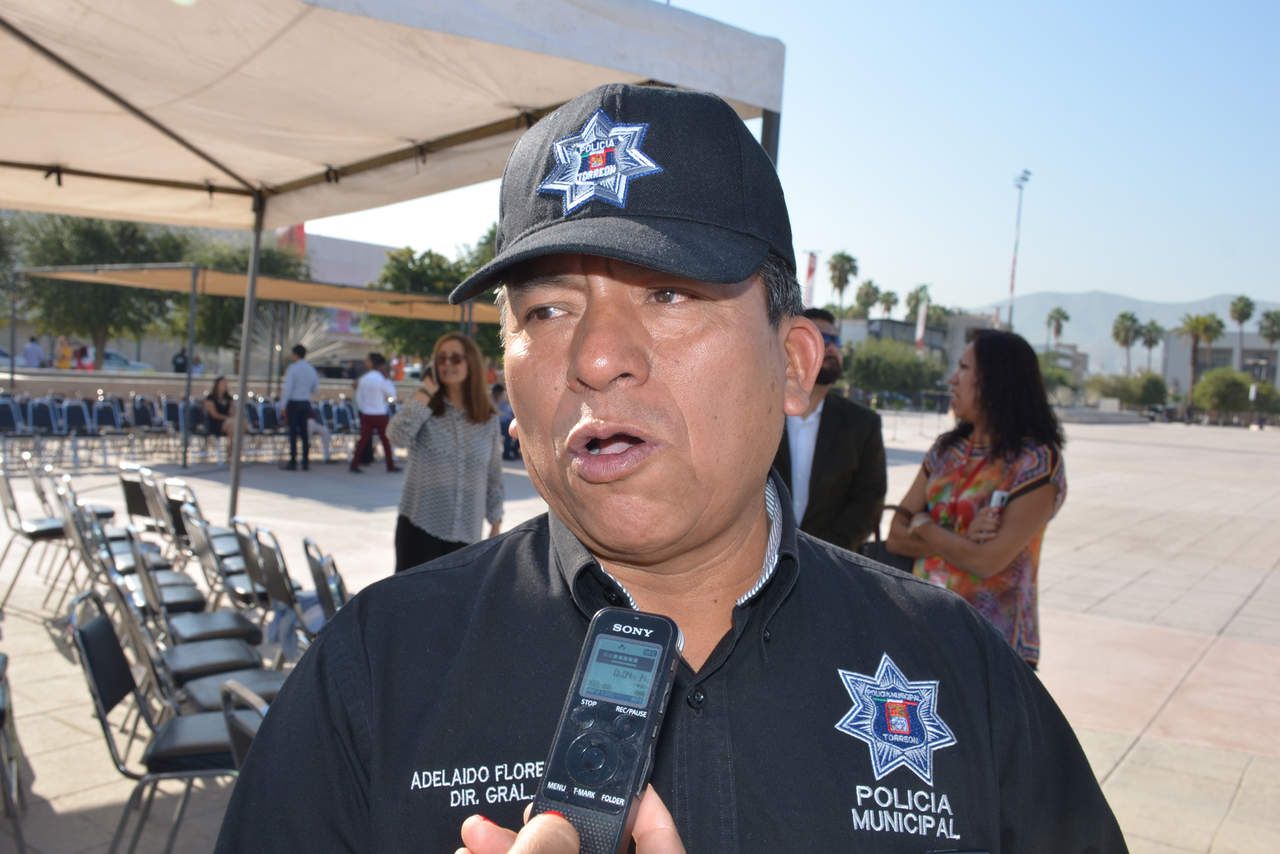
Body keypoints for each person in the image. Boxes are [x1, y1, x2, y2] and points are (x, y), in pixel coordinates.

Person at [217, 84, 1124, 853]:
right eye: (547, 310)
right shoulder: (377, 671)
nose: (597, 356)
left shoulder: (959, 672)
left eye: (669, 293)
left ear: (794, 365)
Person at [886, 329, 1066, 669]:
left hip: (993, 648)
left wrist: (923, 524)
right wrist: (962, 540)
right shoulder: (945, 451)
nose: (952, 379)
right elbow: (895, 536)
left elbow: (986, 561)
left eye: (964, 368)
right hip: (921, 631)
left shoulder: (1035, 463)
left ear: (997, 381)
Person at [383, 333, 503, 572]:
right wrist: (426, 392)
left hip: (468, 534)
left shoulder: (487, 418)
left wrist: (496, 522)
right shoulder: (424, 406)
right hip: (420, 527)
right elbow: (396, 436)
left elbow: (493, 475)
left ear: (471, 363)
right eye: (441, 359)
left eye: (456, 358)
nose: (447, 364)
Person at [772, 308, 886, 550]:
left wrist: (823, 554)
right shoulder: (759, 413)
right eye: (822, 339)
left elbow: (869, 500)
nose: (832, 347)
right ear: (791, 349)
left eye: (836, 340)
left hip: (831, 561)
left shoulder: (863, 424)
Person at [349, 352, 399, 473]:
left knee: (363, 440)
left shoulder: (364, 379)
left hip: (366, 414)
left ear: (372, 363)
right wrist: (387, 379)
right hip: (380, 414)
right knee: (386, 441)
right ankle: (390, 465)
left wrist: (364, 409)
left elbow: (359, 398)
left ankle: (354, 464)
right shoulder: (381, 379)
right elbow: (392, 393)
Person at [280, 344, 318, 471]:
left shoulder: (293, 368)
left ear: (295, 354)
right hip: (305, 403)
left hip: (294, 403)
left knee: (293, 432)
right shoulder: (311, 369)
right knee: (304, 433)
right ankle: (305, 461)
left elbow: (288, 389)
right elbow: (315, 388)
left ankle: (293, 460)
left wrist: (283, 405)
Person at [493, 383, 518, 460]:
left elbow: (511, 414)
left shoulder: (504, 403)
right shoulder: (492, 403)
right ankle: (506, 454)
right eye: (502, 394)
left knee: (519, 428)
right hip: (497, 426)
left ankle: (515, 449)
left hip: (505, 424)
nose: (503, 396)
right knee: (508, 429)